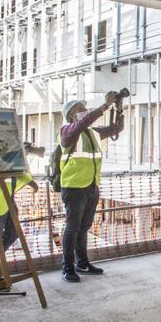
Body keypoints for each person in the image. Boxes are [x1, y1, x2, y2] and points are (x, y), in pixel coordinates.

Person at [58, 92, 124, 282]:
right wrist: (104, 106)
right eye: (81, 110)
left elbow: (116, 128)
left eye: (86, 109)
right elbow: (82, 123)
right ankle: (67, 267)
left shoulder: (93, 133)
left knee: (84, 226)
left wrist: (118, 109)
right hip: (73, 186)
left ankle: (82, 263)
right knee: (72, 227)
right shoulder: (67, 131)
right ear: (72, 115)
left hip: (91, 186)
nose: (85, 112)